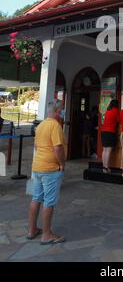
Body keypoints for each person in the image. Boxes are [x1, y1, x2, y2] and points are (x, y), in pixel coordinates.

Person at [28, 100, 66, 245]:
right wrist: (61, 164)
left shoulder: (41, 125)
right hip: (50, 170)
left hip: (38, 167)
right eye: (62, 109)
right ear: (56, 111)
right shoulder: (55, 125)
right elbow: (58, 148)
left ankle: (32, 230)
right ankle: (47, 234)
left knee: (36, 198)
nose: (63, 111)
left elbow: (37, 146)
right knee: (49, 201)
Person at [101, 99, 119, 173]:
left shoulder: (108, 110)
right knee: (108, 150)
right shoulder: (116, 110)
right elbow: (119, 120)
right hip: (110, 131)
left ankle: (104, 167)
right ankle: (106, 167)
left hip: (104, 131)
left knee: (104, 150)